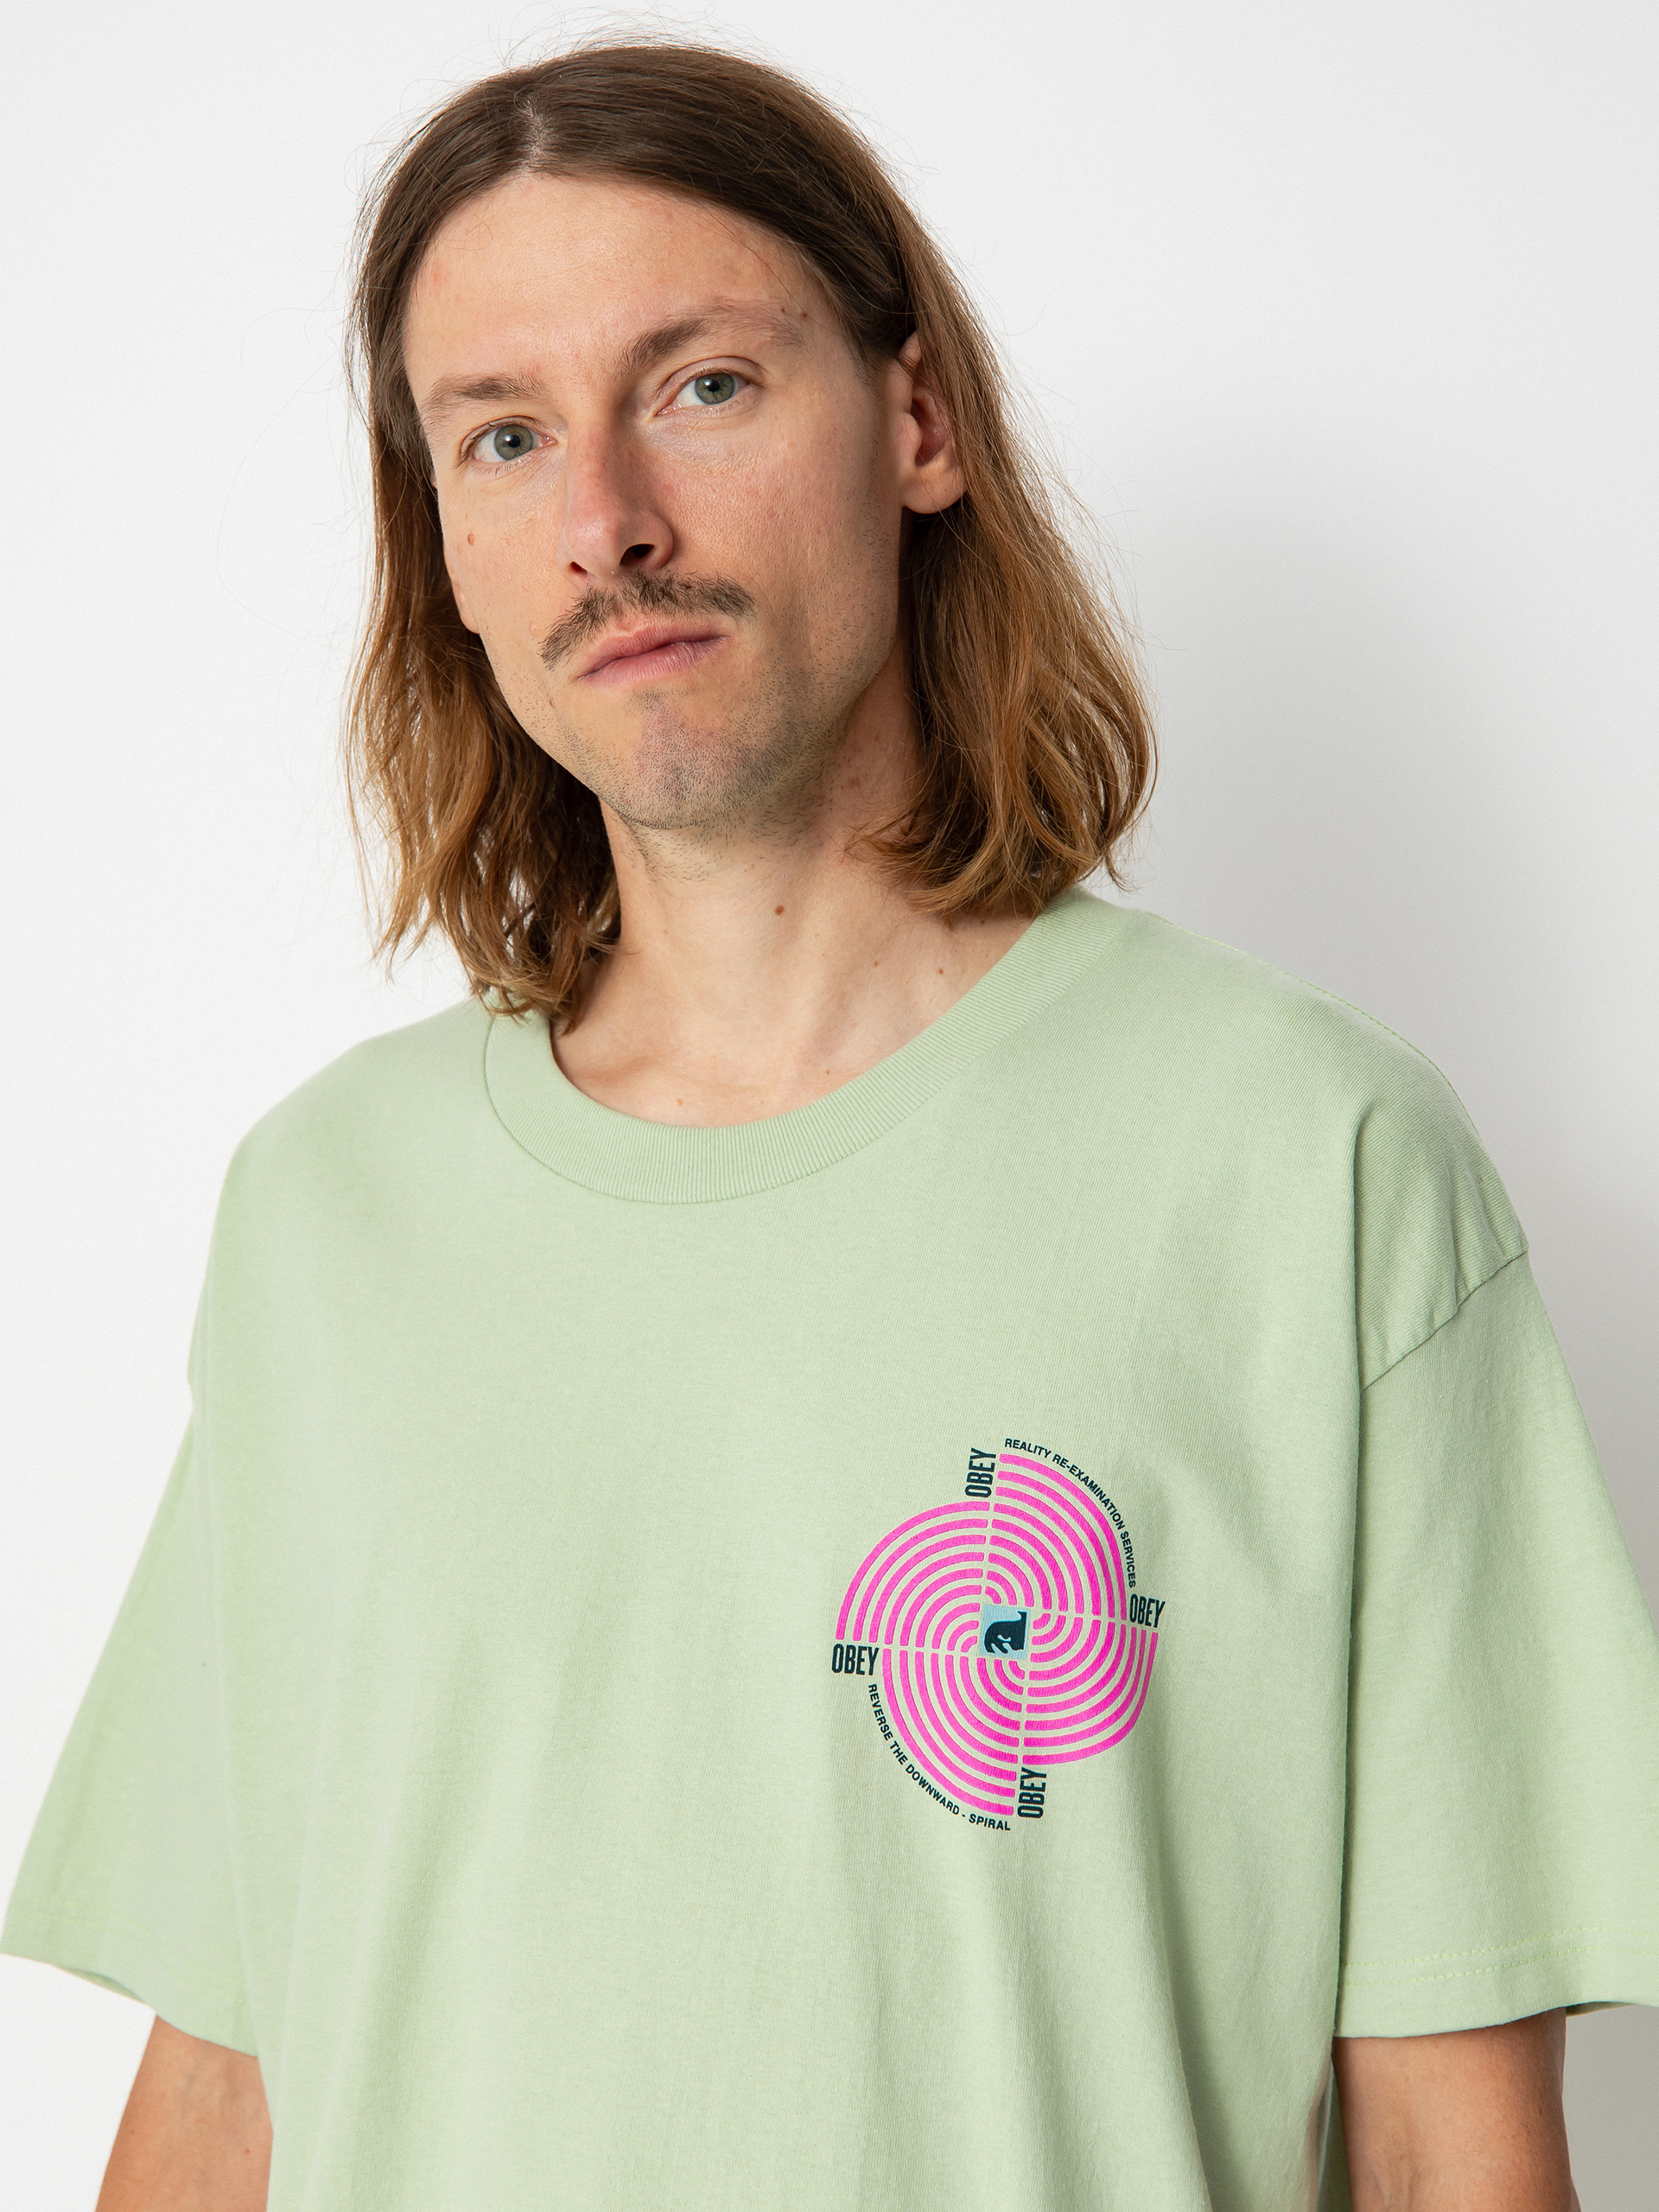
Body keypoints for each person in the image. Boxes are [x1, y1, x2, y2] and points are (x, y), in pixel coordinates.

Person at [5, 40, 1656, 2212]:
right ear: (452, 554)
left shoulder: (1316, 1166)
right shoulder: (325, 1216)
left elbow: (1454, 2153)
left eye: (701, 384)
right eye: (502, 434)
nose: (606, 519)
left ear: (918, 422)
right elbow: (226, 2104)